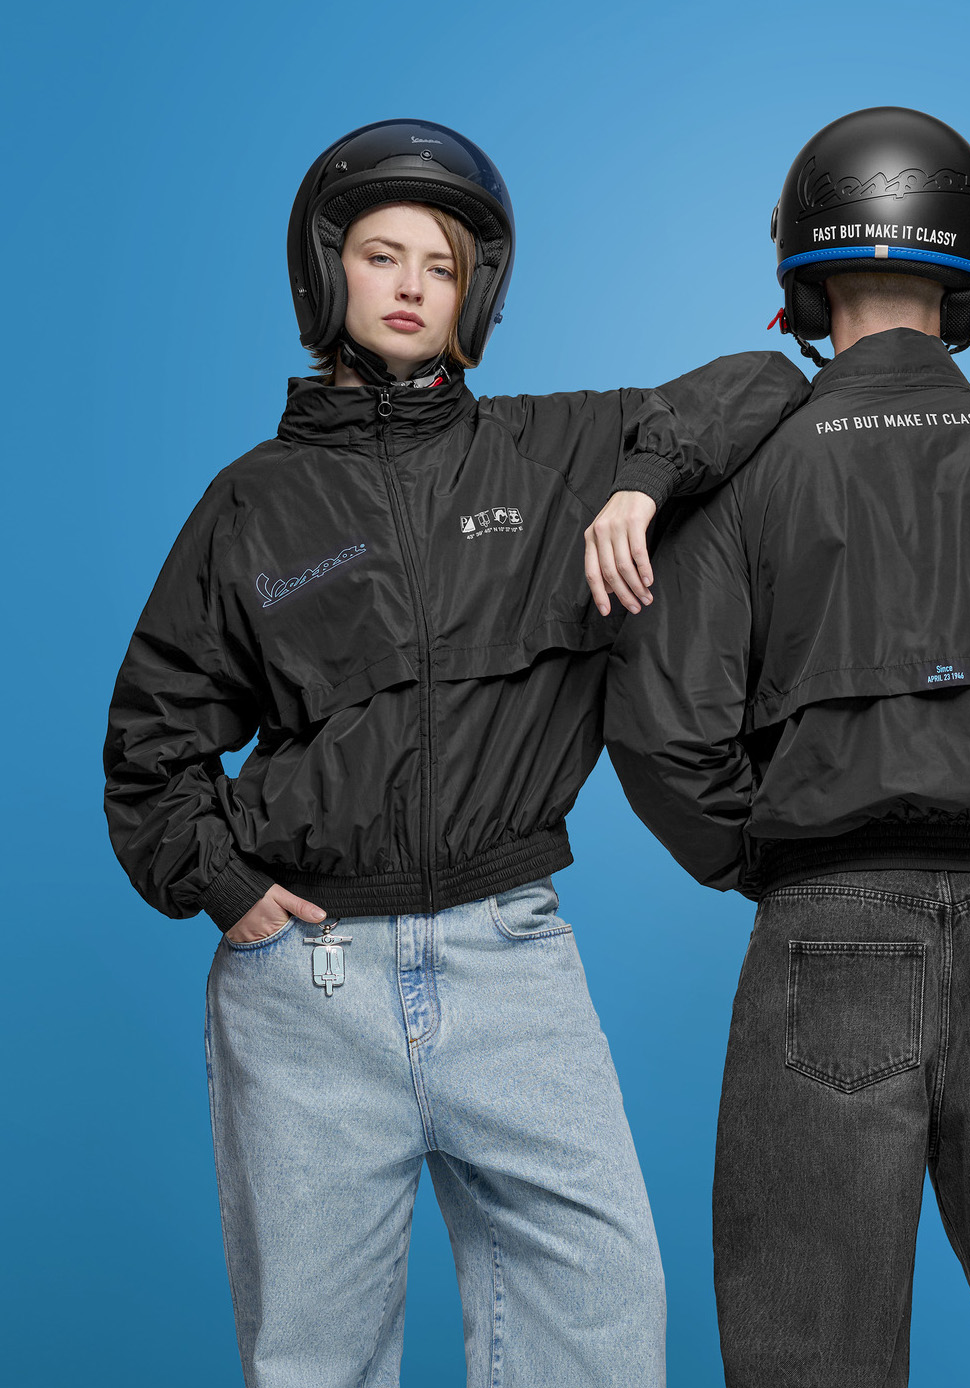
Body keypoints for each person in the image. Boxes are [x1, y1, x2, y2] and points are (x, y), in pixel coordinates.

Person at [102, 118, 808, 1388]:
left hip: (509, 957)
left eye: (442, 264)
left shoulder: (556, 451)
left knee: (601, 1323)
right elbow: (152, 739)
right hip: (310, 980)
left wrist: (642, 484)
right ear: (326, 273)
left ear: (476, 295)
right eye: (382, 255)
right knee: (317, 1360)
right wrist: (223, 884)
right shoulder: (252, 502)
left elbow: (765, 383)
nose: (412, 285)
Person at [604, 107, 970, 1388]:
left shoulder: (743, 487)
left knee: (810, 1362)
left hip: (820, 930)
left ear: (801, 279)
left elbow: (662, 732)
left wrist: (770, 857)